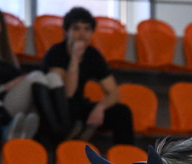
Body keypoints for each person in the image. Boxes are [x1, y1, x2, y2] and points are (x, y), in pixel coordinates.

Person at [42, 6, 133, 146]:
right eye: (76, 29)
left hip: (79, 107)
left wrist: (100, 108)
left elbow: (114, 93)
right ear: (66, 32)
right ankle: (74, 132)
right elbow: (67, 93)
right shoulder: (56, 53)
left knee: (122, 112)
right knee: (70, 106)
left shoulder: (93, 55)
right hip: (56, 109)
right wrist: (74, 59)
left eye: (87, 29)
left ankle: (126, 158)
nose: (82, 34)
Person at [0, 5, 66, 141]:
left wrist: (18, 81)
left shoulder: (8, 55)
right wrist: (8, 85)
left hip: (15, 98)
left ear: (1, 24)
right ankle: (56, 132)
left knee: (51, 77)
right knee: (36, 76)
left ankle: (60, 128)